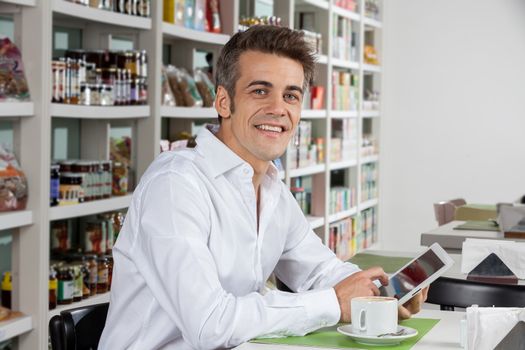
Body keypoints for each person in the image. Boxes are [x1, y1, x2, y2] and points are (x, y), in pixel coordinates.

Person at [99, 25, 427, 349]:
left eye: (291, 95)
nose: (278, 108)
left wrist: (378, 293)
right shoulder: (175, 186)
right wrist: (332, 304)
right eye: (260, 91)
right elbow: (210, 324)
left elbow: (320, 271)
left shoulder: (271, 189)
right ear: (224, 102)